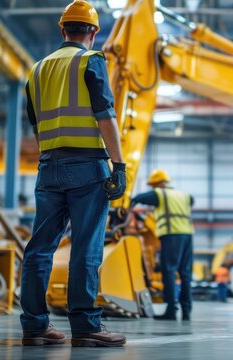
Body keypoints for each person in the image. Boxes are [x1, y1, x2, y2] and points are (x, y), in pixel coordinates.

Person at [20, 0, 127, 347]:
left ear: (63, 30)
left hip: (48, 166)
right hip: (87, 168)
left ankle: (35, 327)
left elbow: (37, 127)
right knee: (86, 247)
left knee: (39, 250)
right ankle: (86, 326)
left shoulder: (37, 71)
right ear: (93, 33)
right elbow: (105, 116)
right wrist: (119, 165)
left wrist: (52, 156)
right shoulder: (91, 61)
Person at [132, 169, 195, 320]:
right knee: (185, 273)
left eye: (153, 185)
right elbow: (191, 201)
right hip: (187, 234)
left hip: (171, 234)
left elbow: (138, 198)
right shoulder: (185, 195)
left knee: (169, 270)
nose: (153, 189)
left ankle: (171, 311)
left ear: (158, 183)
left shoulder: (160, 193)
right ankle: (186, 311)